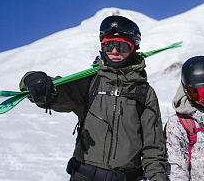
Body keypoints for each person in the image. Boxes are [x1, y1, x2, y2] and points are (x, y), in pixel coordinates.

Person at [19, 15, 168, 181]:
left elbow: (153, 148)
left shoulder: (144, 93)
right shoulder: (90, 82)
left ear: (134, 48)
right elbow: (55, 93)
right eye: (108, 45)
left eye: (122, 46)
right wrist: (33, 81)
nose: (114, 51)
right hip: (84, 176)